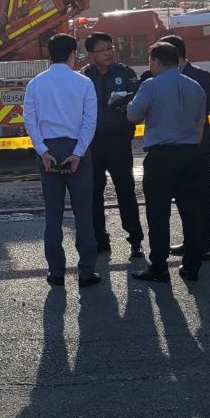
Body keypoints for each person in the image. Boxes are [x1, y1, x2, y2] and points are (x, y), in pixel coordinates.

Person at [23, 33, 101, 289]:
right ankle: (86, 272)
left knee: (53, 213)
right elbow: (90, 122)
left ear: (49, 53)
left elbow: (30, 121)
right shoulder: (84, 83)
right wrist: (78, 153)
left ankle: (56, 272)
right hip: (77, 149)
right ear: (73, 54)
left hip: (49, 150)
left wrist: (43, 151)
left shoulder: (35, 83)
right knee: (84, 213)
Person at [126, 41, 206, 284]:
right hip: (191, 153)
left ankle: (159, 268)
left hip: (162, 156)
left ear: (157, 61)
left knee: (158, 214)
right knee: (191, 211)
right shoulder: (195, 86)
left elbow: (133, 115)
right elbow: (200, 124)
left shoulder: (151, 85)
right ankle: (192, 267)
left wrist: (126, 105)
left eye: (150, 61)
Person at [80, 32, 145, 260]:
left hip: (119, 143)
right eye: (102, 50)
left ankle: (135, 240)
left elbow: (138, 101)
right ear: (91, 54)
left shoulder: (124, 73)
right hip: (93, 144)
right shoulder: (84, 77)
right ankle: (100, 239)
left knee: (126, 191)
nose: (108, 53)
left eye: (110, 48)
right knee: (94, 193)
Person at [160, 34, 210, 262]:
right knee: (183, 197)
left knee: (203, 195)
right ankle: (190, 240)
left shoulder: (200, 75)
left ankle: (206, 243)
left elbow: (205, 107)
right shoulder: (159, 76)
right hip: (174, 147)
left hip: (198, 146)